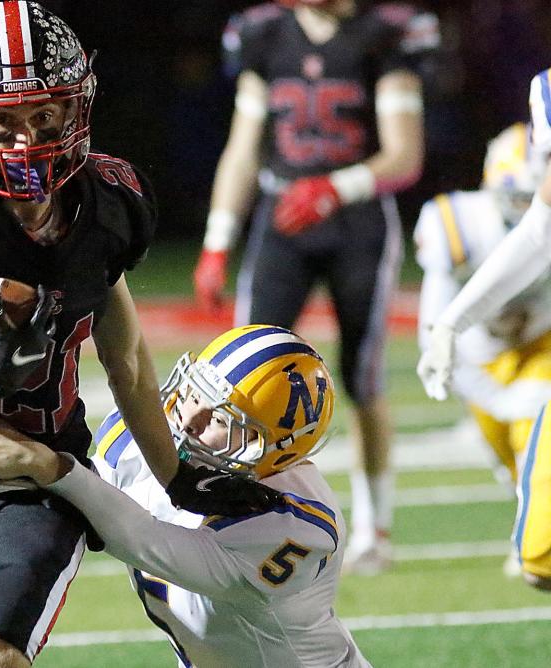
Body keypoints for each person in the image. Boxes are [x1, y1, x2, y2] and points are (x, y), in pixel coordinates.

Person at [0, 3, 279, 666]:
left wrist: (176, 477)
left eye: (45, 115)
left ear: (77, 111)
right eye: (1, 119)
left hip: (33, 483)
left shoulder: (109, 203)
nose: (24, 137)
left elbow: (124, 356)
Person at [0, 324, 372, 667]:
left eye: (222, 419)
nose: (189, 418)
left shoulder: (294, 526)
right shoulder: (134, 439)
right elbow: (73, 502)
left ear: (271, 449)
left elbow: (143, 539)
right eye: (195, 392)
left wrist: (48, 464)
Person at [192, 0, 438, 574]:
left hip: (358, 222)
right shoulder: (264, 34)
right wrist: (217, 238)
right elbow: (243, 148)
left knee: (362, 376)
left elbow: (404, 155)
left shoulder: (385, 34)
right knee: (240, 378)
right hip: (282, 220)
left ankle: (375, 528)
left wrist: (334, 188)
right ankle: (233, 516)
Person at [418, 67, 551, 591]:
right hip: (495, 350)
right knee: (539, 558)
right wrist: (451, 322)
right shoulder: (544, 90)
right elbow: (540, 232)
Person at [415, 123, 551, 488]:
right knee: (514, 479)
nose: (529, 213)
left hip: (544, 340)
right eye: (521, 200)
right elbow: (433, 332)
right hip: (482, 356)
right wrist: (498, 400)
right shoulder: (458, 224)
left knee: (537, 461)